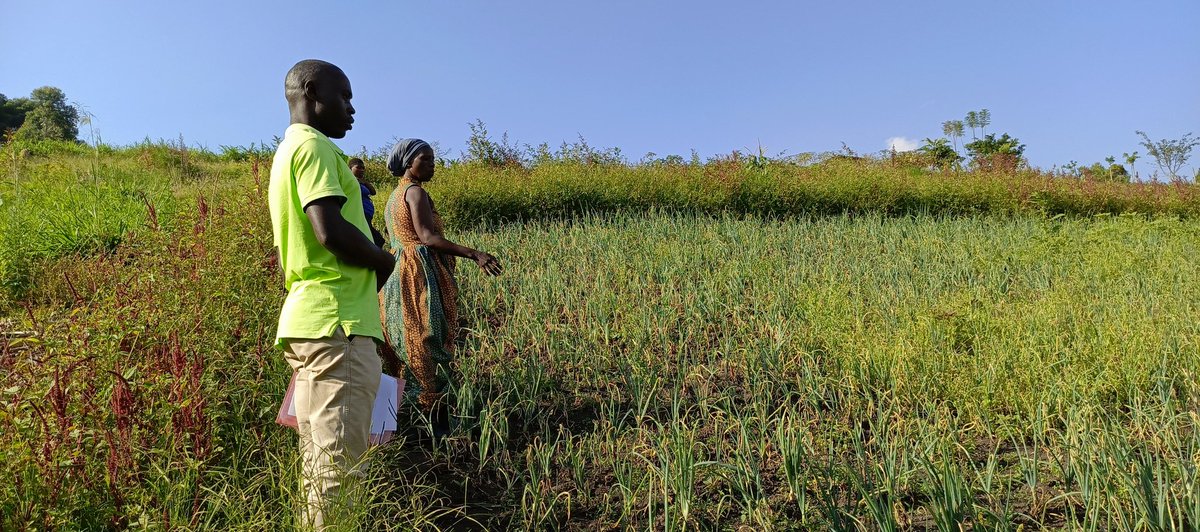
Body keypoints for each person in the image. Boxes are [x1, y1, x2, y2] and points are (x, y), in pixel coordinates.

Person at [267, 59, 395, 529]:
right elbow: (329, 229)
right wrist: (384, 261)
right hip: (336, 327)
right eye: (345, 97)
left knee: (321, 470)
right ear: (311, 90)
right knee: (337, 479)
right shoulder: (316, 146)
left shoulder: (289, 151)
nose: (352, 108)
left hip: (316, 322)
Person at [379, 138, 501, 433]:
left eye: (433, 159)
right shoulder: (415, 193)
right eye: (426, 159)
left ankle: (401, 420)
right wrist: (475, 254)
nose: (433, 165)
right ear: (409, 163)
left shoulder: (394, 197)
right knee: (430, 338)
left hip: (395, 273)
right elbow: (428, 237)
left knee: (403, 340)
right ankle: (436, 424)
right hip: (418, 273)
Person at [347, 157, 385, 247]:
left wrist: (363, 182)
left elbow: (373, 192)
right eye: (358, 167)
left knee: (376, 240)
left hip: (367, 215)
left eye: (363, 168)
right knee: (375, 240)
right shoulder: (349, 181)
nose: (362, 170)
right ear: (350, 169)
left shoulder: (361, 182)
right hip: (360, 215)